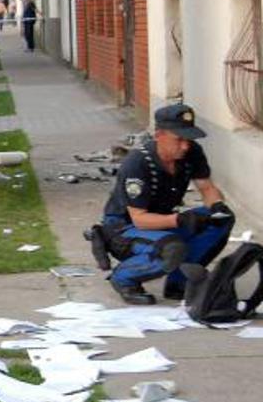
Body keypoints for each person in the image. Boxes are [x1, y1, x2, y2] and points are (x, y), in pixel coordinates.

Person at [97, 104, 235, 305]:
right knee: (172, 248)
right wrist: (180, 220)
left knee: (220, 221)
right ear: (159, 135)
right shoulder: (137, 163)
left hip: (161, 222)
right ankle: (123, 278)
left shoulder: (192, 152)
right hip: (125, 228)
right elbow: (140, 219)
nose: (185, 146)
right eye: (178, 139)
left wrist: (217, 206)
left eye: (188, 139)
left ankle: (178, 283)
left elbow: (206, 188)